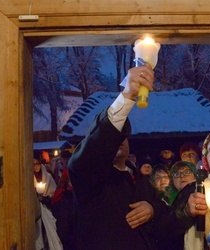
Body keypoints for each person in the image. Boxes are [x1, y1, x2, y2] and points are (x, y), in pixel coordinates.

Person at [68, 64, 166, 250]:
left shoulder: (140, 179)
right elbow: (95, 146)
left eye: (123, 135)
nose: (119, 138)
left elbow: (163, 211)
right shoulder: (89, 177)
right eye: (115, 134)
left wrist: (152, 209)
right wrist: (128, 96)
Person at [154, 161, 202, 250]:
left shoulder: (200, 192)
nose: (182, 176)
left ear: (195, 175)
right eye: (176, 174)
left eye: (187, 172)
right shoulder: (164, 199)